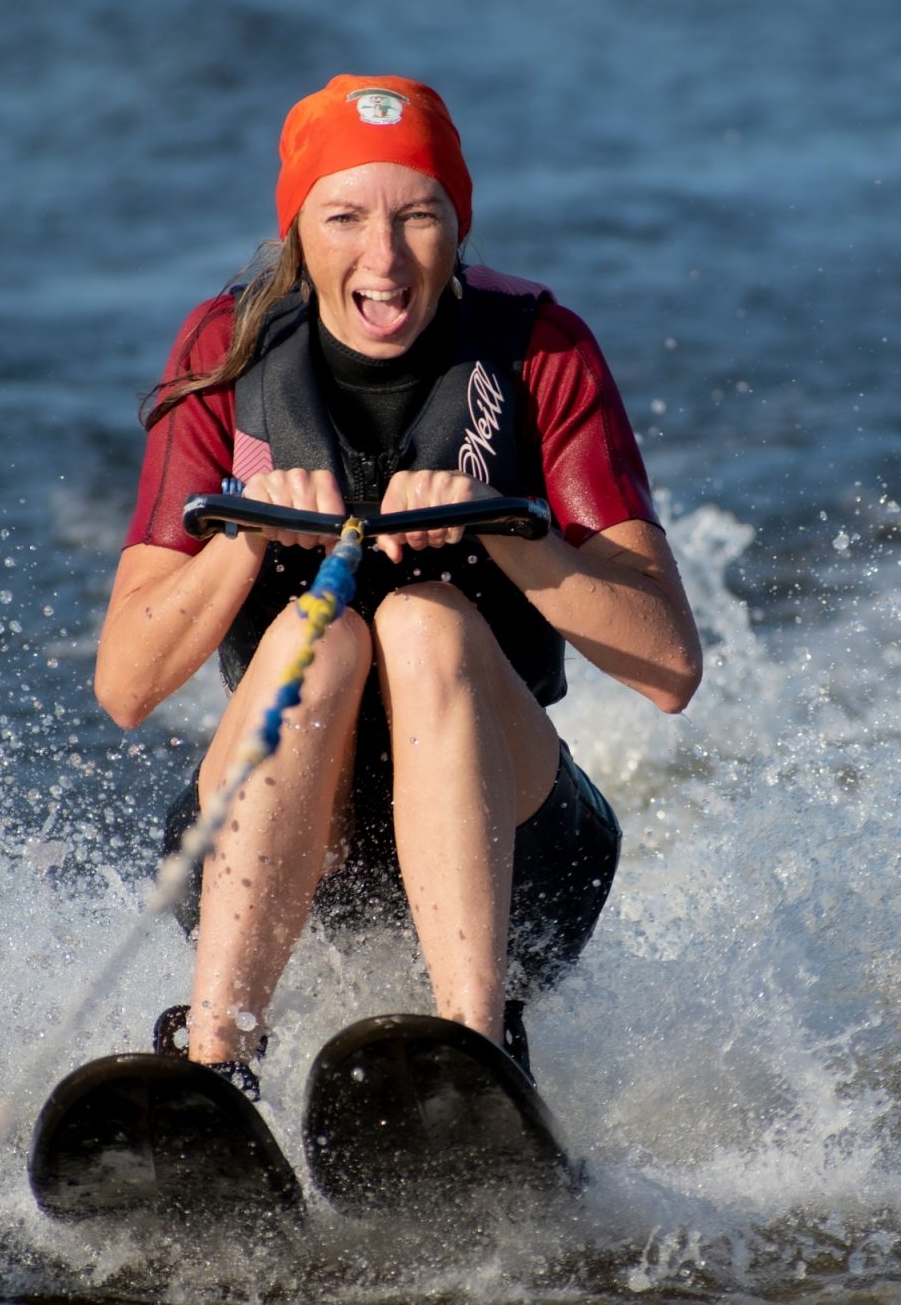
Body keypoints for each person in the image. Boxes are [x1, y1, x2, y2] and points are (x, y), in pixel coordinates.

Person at [93, 75, 702, 1089]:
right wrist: (245, 536)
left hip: (524, 866)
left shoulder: (540, 352)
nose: (382, 258)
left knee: (424, 619)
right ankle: (214, 1059)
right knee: (315, 637)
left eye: (417, 216)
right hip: (273, 845)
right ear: (297, 230)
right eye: (343, 217)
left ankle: (474, 1047)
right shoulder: (224, 351)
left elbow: (668, 668)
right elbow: (125, 686)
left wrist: (502, 532)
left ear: (455, 225)